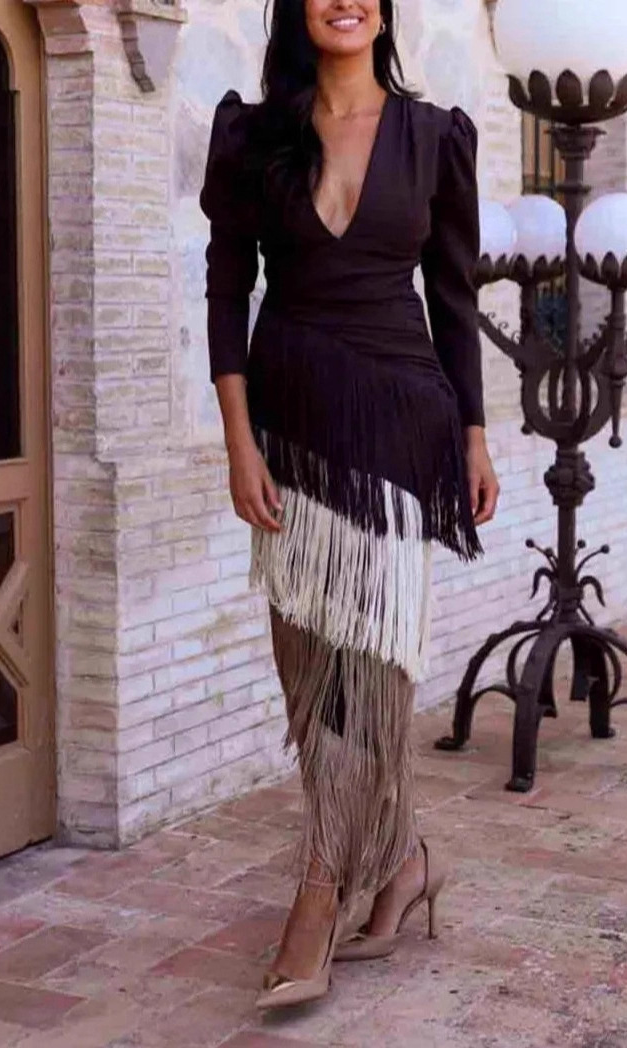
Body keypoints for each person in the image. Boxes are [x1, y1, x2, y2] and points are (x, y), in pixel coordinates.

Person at [200, 0, 498, 1011]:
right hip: (289, 432)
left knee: (366, 681)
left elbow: (454, 298)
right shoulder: (253, 134)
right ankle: (404, 861)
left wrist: (473, 435)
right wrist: (238, 440)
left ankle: (318, 896)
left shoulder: (433, 136)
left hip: (399, 434)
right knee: (306, 674)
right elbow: (225, 289)